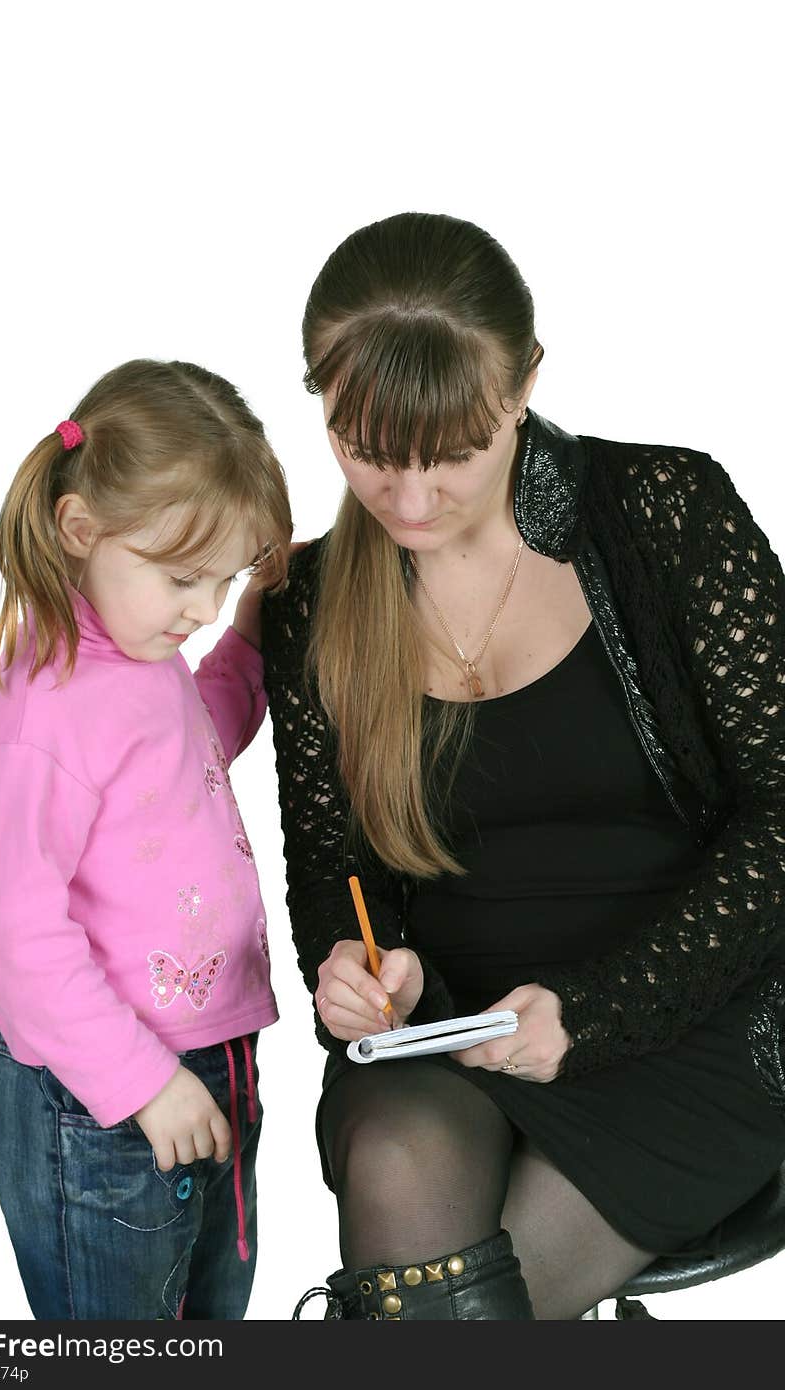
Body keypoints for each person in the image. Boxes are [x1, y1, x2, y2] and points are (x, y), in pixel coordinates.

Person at [261, 212, 785, 1320]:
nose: (406, 502)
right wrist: (356, 967)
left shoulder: (662, 512)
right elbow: (327, 868)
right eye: (365, 451)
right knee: (402, 1170)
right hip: (454, 1029)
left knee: (443, 1318)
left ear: (523, 386)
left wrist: (593, 1015)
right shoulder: (311, 603)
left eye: (449, 455)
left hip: (698, 1016)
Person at [0, 358, 291, 1320]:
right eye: (185, 577)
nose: (202, 607)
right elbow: (11, 935)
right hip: (105, 1098)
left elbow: (186, 762)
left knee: (209, 1317)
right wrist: (143, 1085)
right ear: (81, 531)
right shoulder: (48, 706)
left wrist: (250, 644)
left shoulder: (148, 656)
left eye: (224, 579)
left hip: (214, 1058)